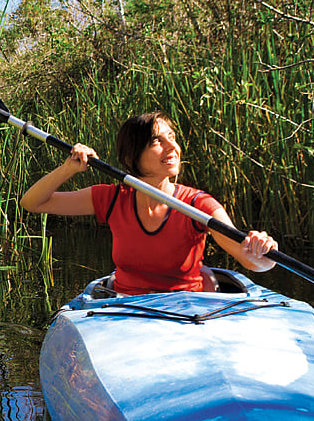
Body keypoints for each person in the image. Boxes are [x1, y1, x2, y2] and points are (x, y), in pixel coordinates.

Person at [19, 111, 279, 295]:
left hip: (188, 311)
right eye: (157, 141)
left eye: (172, 137)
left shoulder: (198, 204)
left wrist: (262, 250)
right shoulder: (111, 198)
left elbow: (251, 261)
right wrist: (68, 169)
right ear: (133, 156)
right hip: (128, 308)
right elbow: (33, 202)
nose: (172, 147)